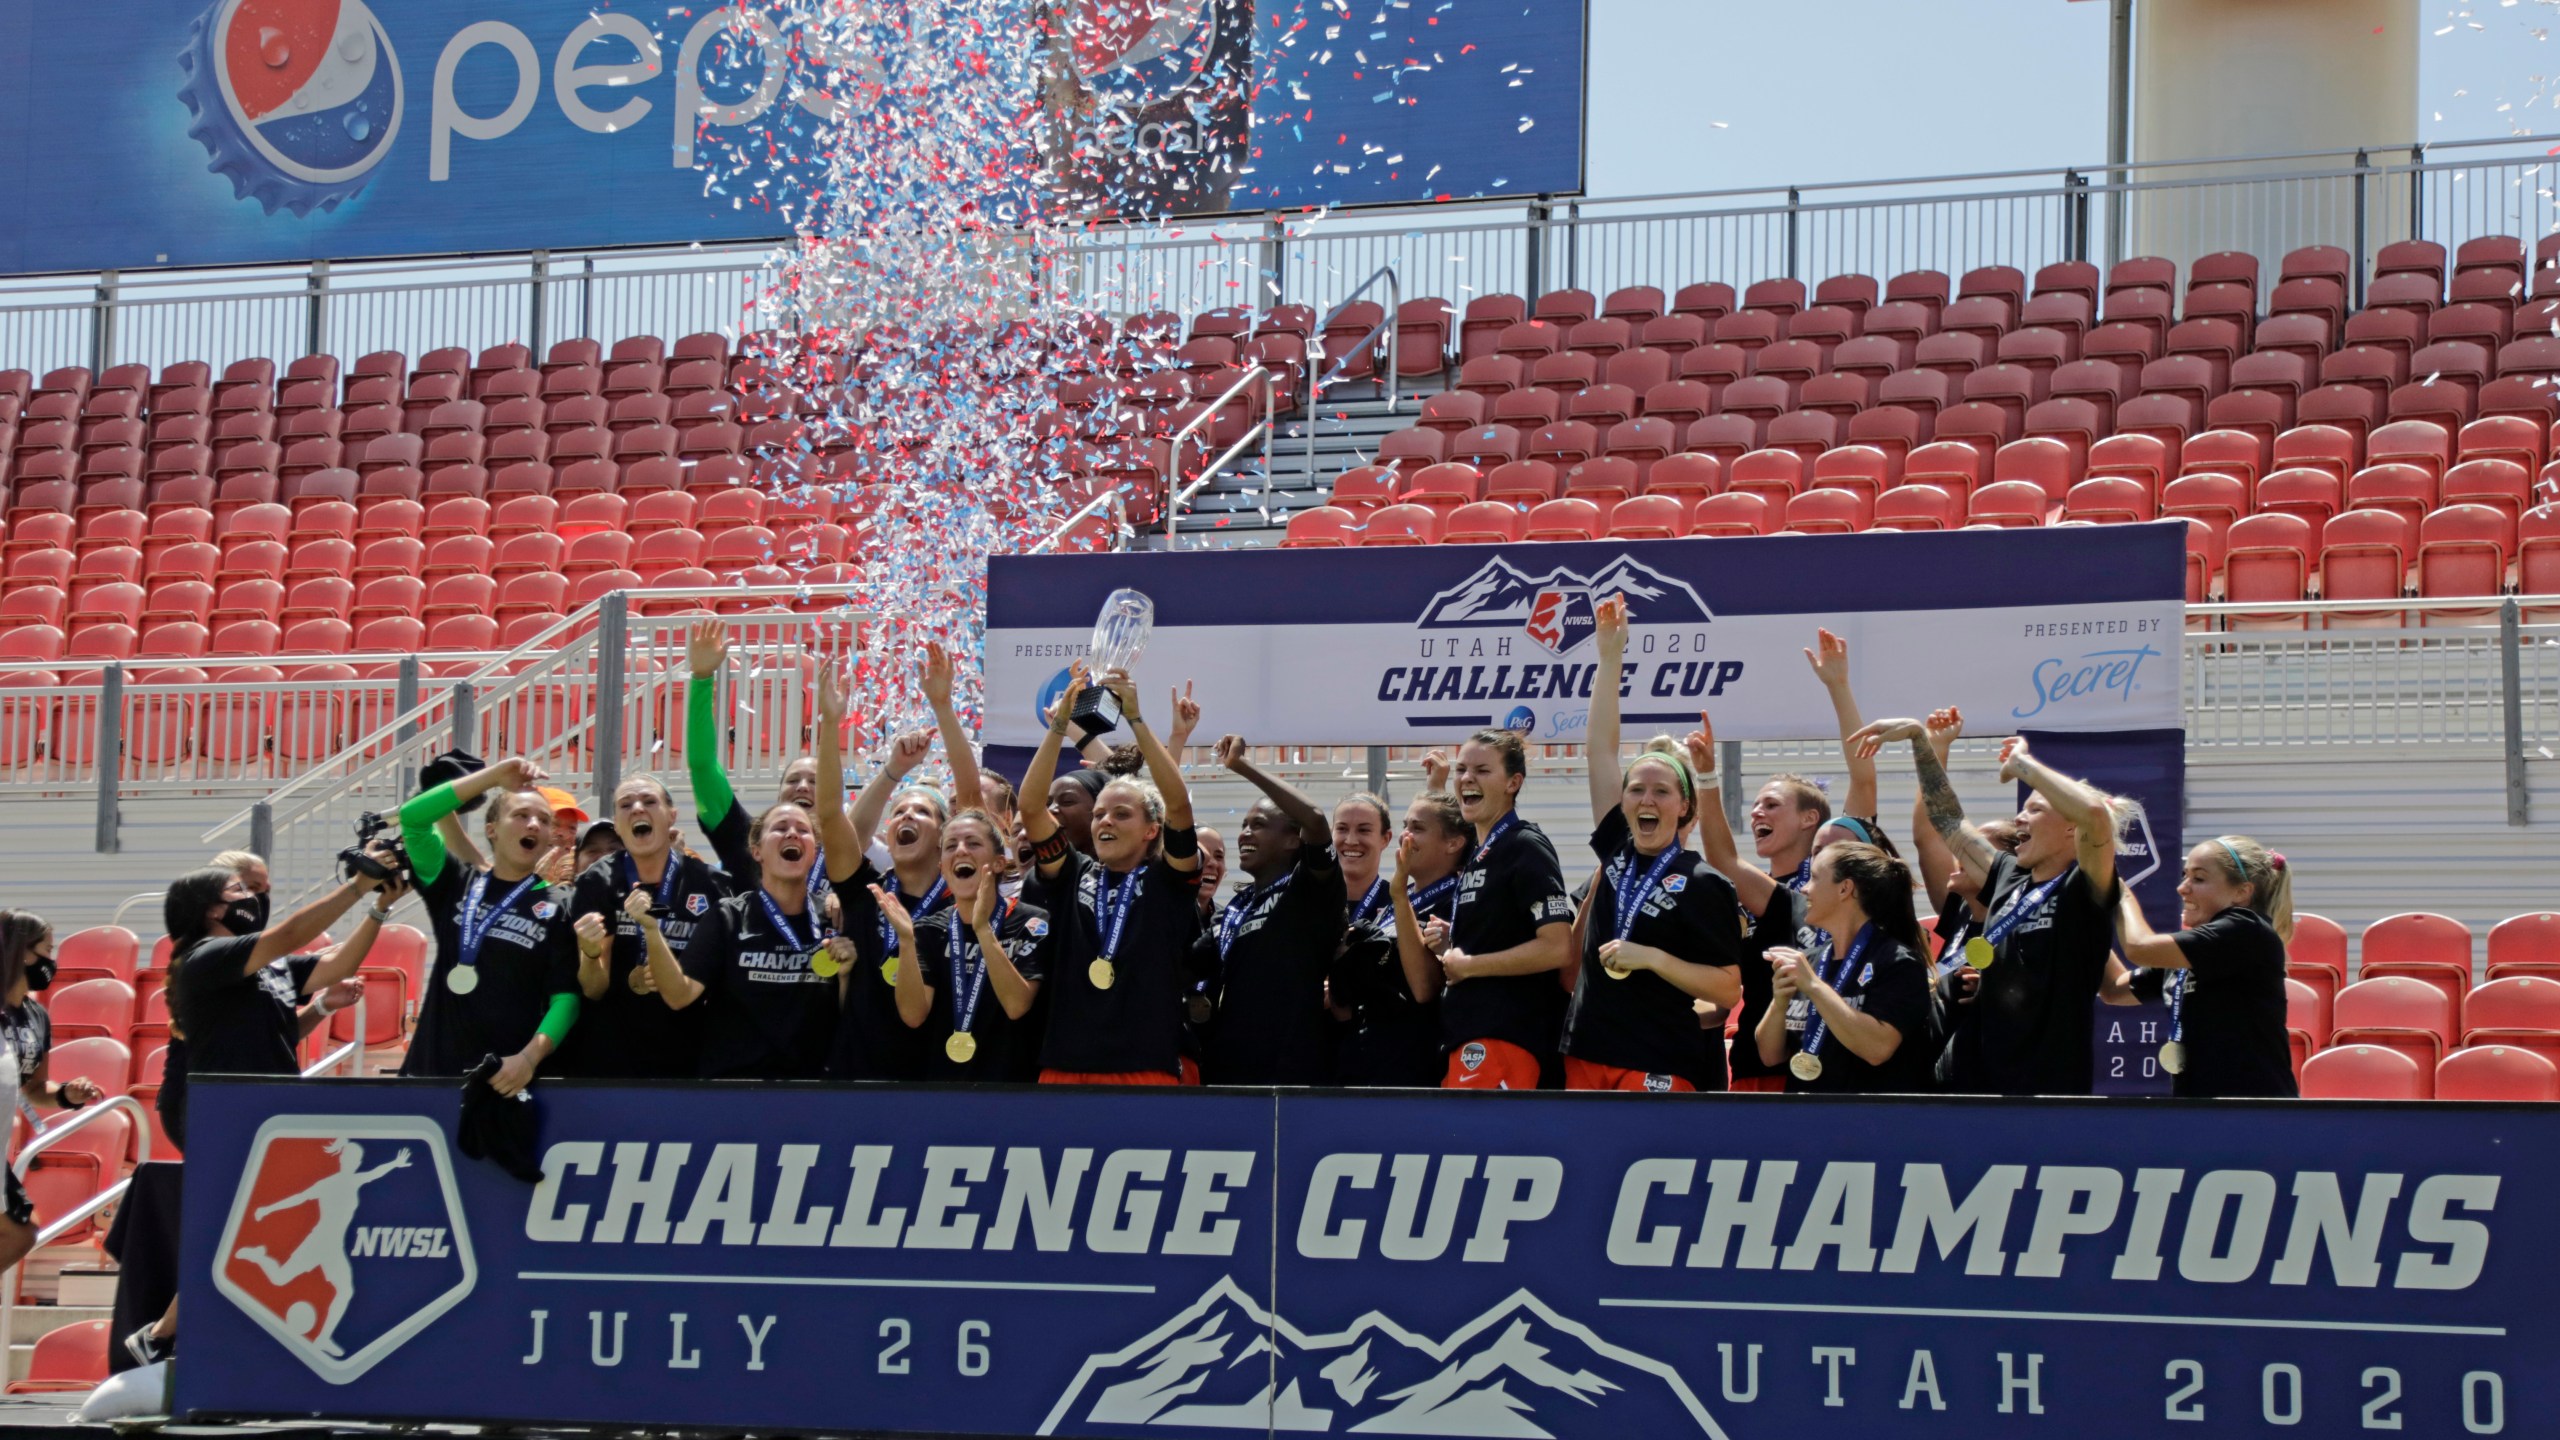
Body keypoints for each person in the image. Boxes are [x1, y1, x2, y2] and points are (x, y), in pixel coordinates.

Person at [1856, 721, 2125, 1096]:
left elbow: (2096, 815)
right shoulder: (2007, 874)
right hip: (1978, 1088)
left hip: (2047, 1092)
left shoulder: (2084, 886)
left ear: (2071, 829)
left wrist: (2022, 763)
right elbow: (1948, 819)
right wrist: (1920, 741)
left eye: (2036, 809)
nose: (2020, 819)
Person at [1562, 597, 1745, 1092]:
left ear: (1685, 807)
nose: (1647, 799)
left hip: (1658, 1055)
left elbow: (1728, 985)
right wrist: (1609, 657)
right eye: (1636, 789)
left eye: (1661, 791)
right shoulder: (1617, 847)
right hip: (1587, 1048)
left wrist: (1653, 959)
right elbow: (1600, 749)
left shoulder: (1704, 881)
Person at [1018, 667, 1203, 1084]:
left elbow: (1178, 807)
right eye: (1099, 813)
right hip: (1066, 1064)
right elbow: (1030, 808)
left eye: (1122, 814)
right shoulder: (1073, 872)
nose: (1106, 821)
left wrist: (1137, 719)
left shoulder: (1169, 879)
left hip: (1144, 1064)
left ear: (1151, 829)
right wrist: (1059, 727)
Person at [394, 757, 581, 1088]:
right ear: (492, 830)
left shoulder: (562, 903)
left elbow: (565, 998)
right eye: (521, 815)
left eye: (543, 820)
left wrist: (528, 1059)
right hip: (430, 1074)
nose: (534, 824)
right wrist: (495, 777)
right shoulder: (455, 881)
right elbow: (413, 818)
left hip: (505, 1079)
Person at [641, 794, 846, 1080]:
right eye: (780, 828)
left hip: (811, 1092)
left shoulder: (835, 918)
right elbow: (680, 996)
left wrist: (847, 974)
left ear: (814, 852)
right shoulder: (728, 916)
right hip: (733, 1090)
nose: (792, 833)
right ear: (756, 851)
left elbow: (851, 1013)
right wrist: (651, 930)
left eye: (803, 830)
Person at [1194, 735, 1346, 1085]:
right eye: (1245, 825)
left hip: (1287, 1072)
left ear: (1294, 839)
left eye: (1259, 824)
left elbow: (1316, 820)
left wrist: (1243, 767)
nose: (1245, 833)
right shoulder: (1234, 907)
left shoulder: (1309, 891)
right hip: (1223, 1068)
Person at [2105, 837, 2299, 1099]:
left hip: (2254, 1112)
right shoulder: (2195, 949)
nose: (2182, 888)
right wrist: (2083, 926)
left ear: (2241, 891)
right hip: (2201, 1107)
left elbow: (2138, 947)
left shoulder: (2245, 929)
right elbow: (2115, 990)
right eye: (2185, 876)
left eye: (2199, 878)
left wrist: (2120, 893)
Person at [1434, 729, 1572, 1089]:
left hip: (1506, 1037)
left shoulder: (1524, 844)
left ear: (1514, 782)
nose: (1466, 779)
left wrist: (1470, 965)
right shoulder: (1481, 853)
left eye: (1482, 770)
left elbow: (1557, 946)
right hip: (1469, 1033)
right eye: (1461, 769)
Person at [563, 776, 728, 1079]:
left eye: (649, 801)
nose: (637, 808)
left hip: (690, 1058)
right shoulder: (597, 881)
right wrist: (588, 953)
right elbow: (594, 988)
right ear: (617, 823)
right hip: (612, 1059)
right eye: (626, 805)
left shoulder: (709, 884)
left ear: (671, 816)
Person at [810, 659, 925, 1080]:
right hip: (854, 1074)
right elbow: (830, 815)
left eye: (922, 812)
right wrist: (830, 724)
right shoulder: (865, 893)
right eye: (899, 812)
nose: (906, 817)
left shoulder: (960, 903)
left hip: (929, 1080)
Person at [881, 809, 1052, 1079]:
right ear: (942, 867)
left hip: (1013, 1087)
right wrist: (905, 940)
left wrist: (983, 929)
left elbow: (1017, 1004)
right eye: (950, 845)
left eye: (973, 843)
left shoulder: (1031, 922)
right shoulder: (929, 929)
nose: (960, 851)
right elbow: (913, 1015)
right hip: (945, 1085)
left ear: (998, 863)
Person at [1754, 842, 1935, 1093]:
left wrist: (1815, 987)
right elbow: (1770, 1055)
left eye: (1815, 878)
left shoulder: (1898, 962)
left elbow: (1877, 1049)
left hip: (1870, 1121)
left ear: (1845, 888)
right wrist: (1779, 1002)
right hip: (1808, 1116)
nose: (1804, 889)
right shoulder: (1810, 961)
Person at [687, 619, 830, 898]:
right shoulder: (746, 837)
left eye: (815, 781)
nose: (802, 786)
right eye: (792, 780)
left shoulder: (849, 851)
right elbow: (702, 766)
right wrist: (702, 678)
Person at [1333, 793, 1468, 1087]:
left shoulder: (1455, 902)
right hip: (1364, 1059)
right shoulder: (1400, 902)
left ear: (1454, 843)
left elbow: (1423, 990)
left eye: (1416, 828)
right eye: (1405, 826)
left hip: (1412, 1070)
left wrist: (1399, 893)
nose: (1405, 835)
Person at [0, 913, 83, 1295]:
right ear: (21, 952)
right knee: (19, 1229)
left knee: (23, 1230)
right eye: (47, 950)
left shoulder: (37, 1015)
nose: (53, 962)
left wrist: (65, 1094)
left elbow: (34, 1087)